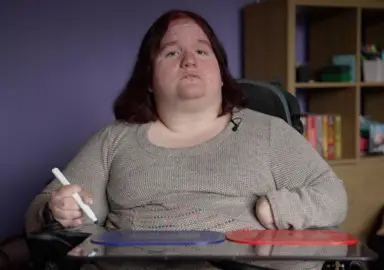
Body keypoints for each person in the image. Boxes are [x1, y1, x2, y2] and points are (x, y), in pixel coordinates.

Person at [25, 9, 348, 269]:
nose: (189, 60)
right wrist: (56, 211)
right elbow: (37, 215)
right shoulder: (113, 139)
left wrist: (277, 208)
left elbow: (333, 197)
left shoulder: (268, 132)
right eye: (171, 53)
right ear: (149, 79)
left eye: (201, 50)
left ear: (221, 74)